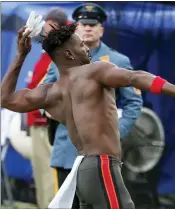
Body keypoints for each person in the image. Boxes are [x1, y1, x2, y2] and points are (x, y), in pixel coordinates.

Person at [1, 24, 175, 209]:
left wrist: (20, 55)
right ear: (69, 54)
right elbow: (134, 77)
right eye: (81, 45)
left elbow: (5, 99)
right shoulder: (95, 71)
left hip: (83, 172)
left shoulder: (49, 92)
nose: (87, 48)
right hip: (102, 166)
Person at [41, 4, 142, 207]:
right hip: (67, 149)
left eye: (92, 25)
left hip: (102, 155)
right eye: (83, 24)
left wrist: (113, 133)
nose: (87, 28)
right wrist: (56, 112)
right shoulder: (61, 59)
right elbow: (43, 96)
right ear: (76, 29)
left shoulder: (117, 61)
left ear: (101, 30)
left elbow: (133, 103)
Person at [26, 7, 68, 208]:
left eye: (47, 26)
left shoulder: (60, 53)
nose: (43, 30)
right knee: (42, 176)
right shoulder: (48, 52)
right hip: (38, 121)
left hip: (48, 124)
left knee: (50, 179)